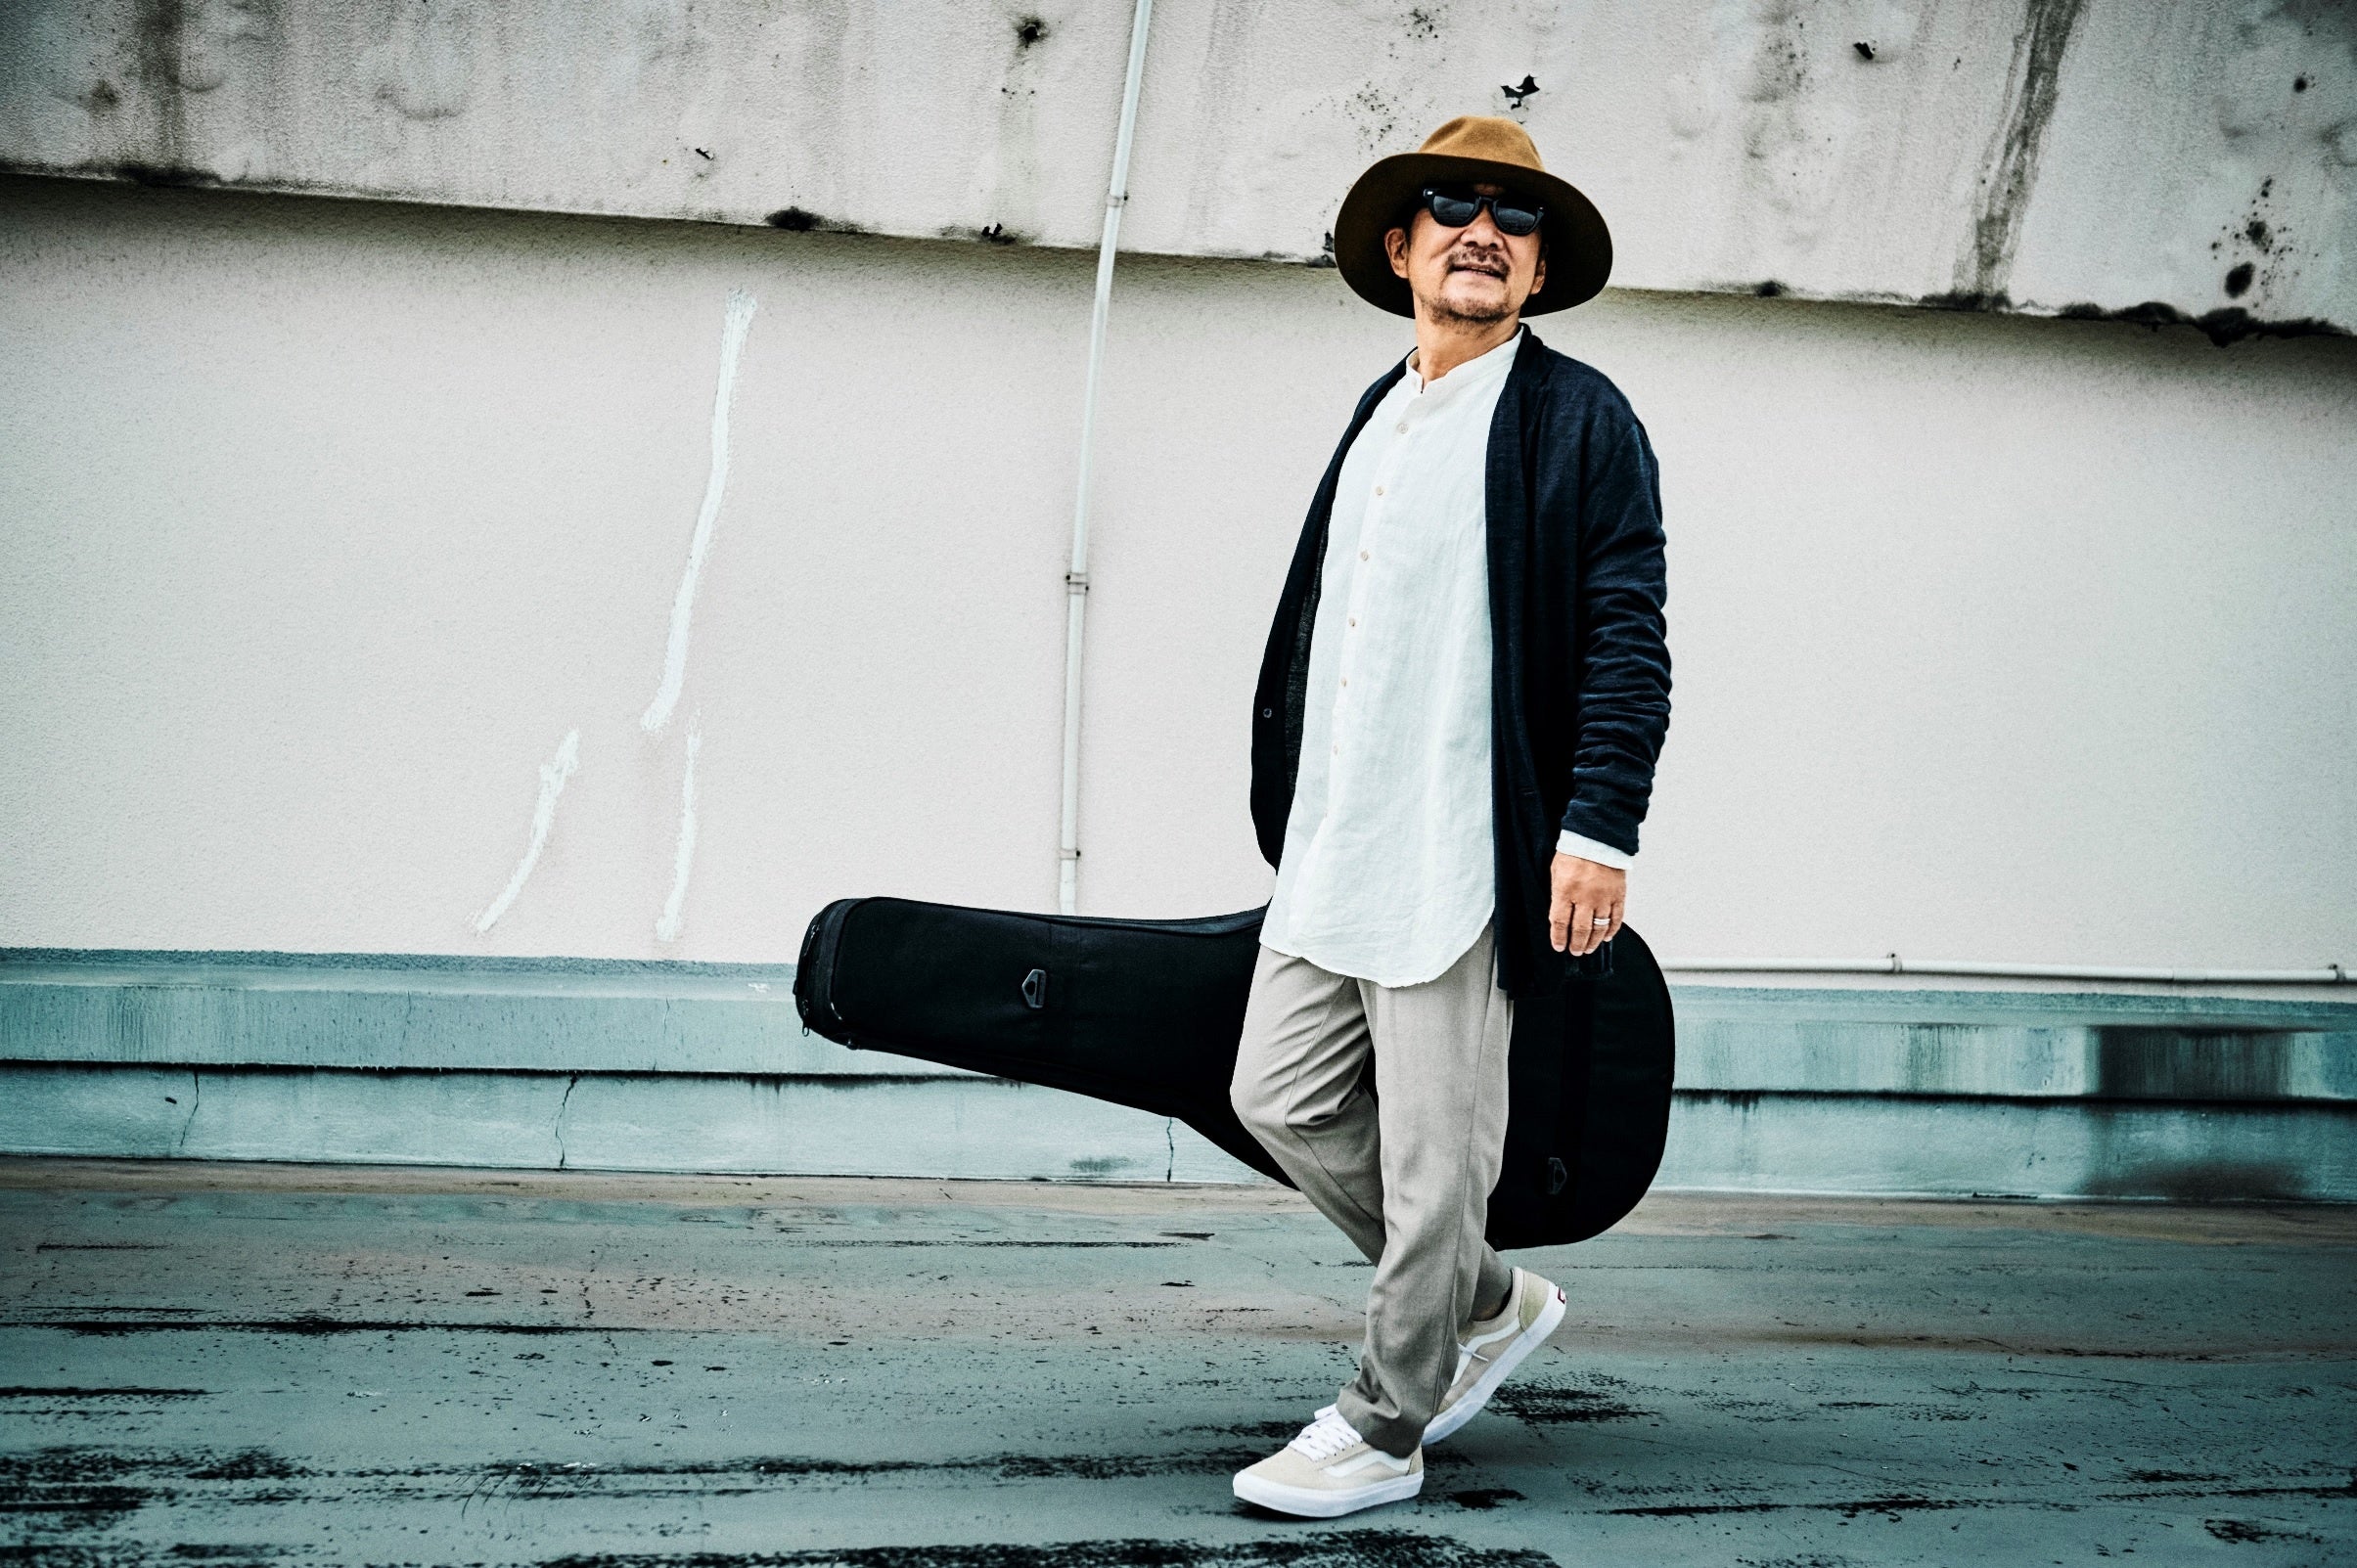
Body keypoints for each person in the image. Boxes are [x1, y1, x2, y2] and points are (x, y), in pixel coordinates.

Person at [1227, 115, 1672, 1518]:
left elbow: (1626, 632)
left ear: (1536, 272)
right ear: (1399, 246)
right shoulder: (1379, 409)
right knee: (1274, 1094)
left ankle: (1384, 1424)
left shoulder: (1577, 417)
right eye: (1451, 205)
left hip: (1464, 847)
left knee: (1435, 1165)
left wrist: (1597, 830)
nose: (1483, 231)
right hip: (1340, 836)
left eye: (1514, 218)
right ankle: (1481, 1297)